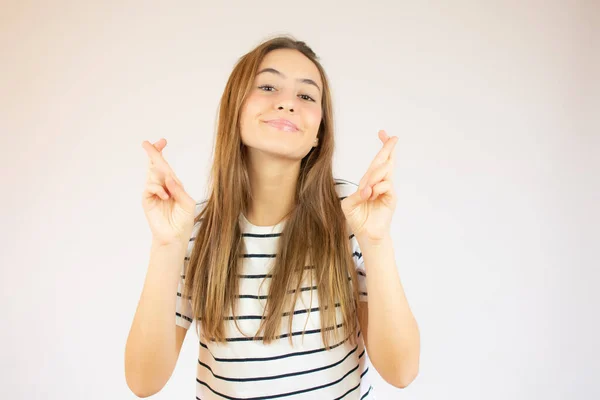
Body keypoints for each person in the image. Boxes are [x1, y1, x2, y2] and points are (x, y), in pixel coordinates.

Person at [125, 35, 420, 399]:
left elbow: (402, 371)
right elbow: (143, 380)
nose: (287, 103)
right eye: (267, 86)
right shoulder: (192, 228)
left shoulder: (350, 212)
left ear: (318, 133)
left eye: (307, 96)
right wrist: (167, 244)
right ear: (235, 109)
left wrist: (376, 242)